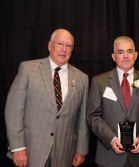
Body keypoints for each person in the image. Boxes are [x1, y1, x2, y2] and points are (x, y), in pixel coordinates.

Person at [5, 29, 89, 167]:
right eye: (60, 44)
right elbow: (13, 111)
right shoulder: (27, 69)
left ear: (72, 50)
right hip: (31, 150)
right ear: (50, 45)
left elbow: (82, 118)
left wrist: (81, 150)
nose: (64, 49)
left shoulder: (82, 78)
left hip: (65, 153)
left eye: (68, 46)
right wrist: (18, 147)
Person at [87, 36, 139, 167]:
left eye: (129, 51)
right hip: (109, 157)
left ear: (136, 55)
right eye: (120, 52)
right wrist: (110, 139)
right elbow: (93, 116)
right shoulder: (98, 82)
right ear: (113, 56)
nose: (126, 56)